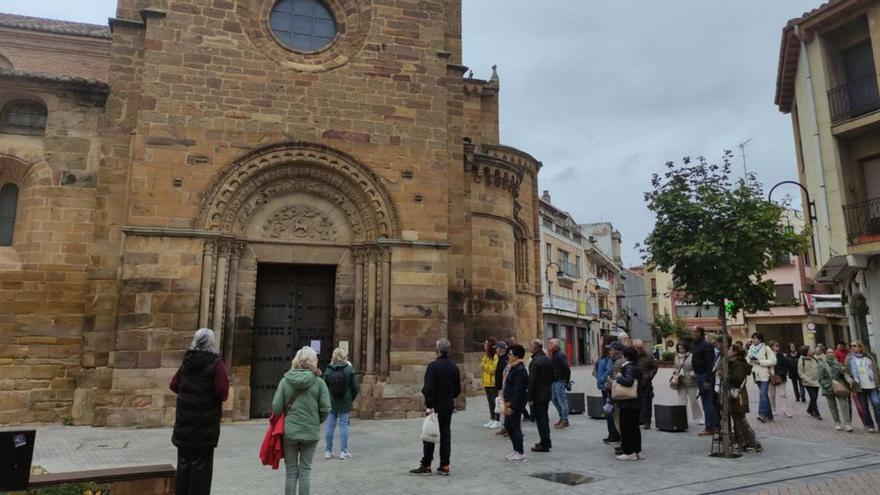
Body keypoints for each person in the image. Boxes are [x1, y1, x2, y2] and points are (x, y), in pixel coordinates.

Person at [170, 328, 229, 495]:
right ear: (211, 343)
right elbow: (222, 391)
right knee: (201, 471)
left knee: (184, 467)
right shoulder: (216, 364)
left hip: (184, 426)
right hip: (204, 428)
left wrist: (188, 395)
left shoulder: (187, 362)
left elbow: (173, 385)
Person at [272, 346, 331, 495]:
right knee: (305, 471)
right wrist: (316, 421)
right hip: (310, 433)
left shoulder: (285, 381)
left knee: (291, 472)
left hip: (290, 433)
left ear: (297, 361)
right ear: (313, 361)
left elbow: (276, 407)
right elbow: (325, 409)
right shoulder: (319, 383)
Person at [410, 339, 461, 476]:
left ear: (437, 350)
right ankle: (445, 465)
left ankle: (426, 464)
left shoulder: (433, 366)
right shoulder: (453, 366)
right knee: (445, 434)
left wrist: (429, 406)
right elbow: (457, 389)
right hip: (447, 403)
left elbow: (428, 388)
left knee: (429, 433)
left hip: (436, 404)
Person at [323, 347, 359, 460]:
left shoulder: (329, 370)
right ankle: (344, 451)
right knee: (343, 426)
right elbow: (355, 387)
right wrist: (350, 398)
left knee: (330, 426)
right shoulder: (349, 369)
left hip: (332, 401)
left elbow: (324, 385)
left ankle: (328, 451)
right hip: (345, 402)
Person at [727, 343, 762, 453]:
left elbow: (737, 379)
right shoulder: (735, 363)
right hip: (738, 395)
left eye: (730, 349)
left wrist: (725, 376)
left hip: (739, 396)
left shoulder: (738, 364)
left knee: (740, 420)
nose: (728, 351)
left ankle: (752, 443)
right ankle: (746, 442)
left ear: (735, 352)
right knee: (739, 420)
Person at [614, 347, 643, 461]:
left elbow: (629, 381)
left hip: (628, 402)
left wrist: (619, 377)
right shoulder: (636, 367)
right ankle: (638, 451)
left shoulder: (627, 367)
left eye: (622, 356)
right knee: (635, 427)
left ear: (625, 356)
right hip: (636, 401)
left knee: (626, 427)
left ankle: (629, 452)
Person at [502, 344, 529, 462]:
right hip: (508, 401)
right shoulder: (512, 367)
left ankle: (520, 452)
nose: (508, 356)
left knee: (515, 426)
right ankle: (516, 449)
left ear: (517, 356)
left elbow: (519, 390)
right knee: (508, 425)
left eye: (510, 354)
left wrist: (513, 405)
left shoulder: (520, 370)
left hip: (515, 403)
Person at [846, 341, 880, 432]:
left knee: (877, 403)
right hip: (859, 387)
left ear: (860, 347)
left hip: (872, 385)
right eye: (851, 346)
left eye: (854, 346)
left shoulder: (869, 358)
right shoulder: (849, 359)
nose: (852, 347)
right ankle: (870, 425)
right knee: (864, 408)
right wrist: (849, 378)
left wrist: (878, 383)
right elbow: (846, 371)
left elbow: (876, 371)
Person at [818, 348, 853, 432]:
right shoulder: (822, 364)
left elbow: (844, 373)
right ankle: (837, 422)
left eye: (831, 352)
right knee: (833, 407)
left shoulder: (838, 363)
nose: (830, 354)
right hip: (828, 388)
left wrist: (848, 378)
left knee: (844, 405)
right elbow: (820, 378)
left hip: (839, 386)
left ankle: (847, 424)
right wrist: (827, 385)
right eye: (828, 352)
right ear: (825, 354)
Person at [528, 339, 553, 452]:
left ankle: (545, 444)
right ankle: (545, 441)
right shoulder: (547, 359)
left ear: (536, 348)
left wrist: (530, 397)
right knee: (544, 419)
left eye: (531, 346)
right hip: (546, 392)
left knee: (541, 420)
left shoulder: (535, 361)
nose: (529, 348)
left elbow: (532, 381)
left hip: (538, 394)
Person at [691, 326, 718, 435]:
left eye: (694, 332)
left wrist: (707, 380)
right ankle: (713, 425)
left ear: (699, 333)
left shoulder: (706, 345)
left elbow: (709, 364)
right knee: (706, 401)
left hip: (704, 376)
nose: (692, 334)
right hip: (698, 375)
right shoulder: (695, 344)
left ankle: (710, 427)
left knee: (707, 402)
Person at [748, 333, 776, 423]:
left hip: (765, 374)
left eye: (755, 338)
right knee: (764, 395)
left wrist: (760, 362)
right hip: (756, 374)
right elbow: (747, 359)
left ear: (760, 339)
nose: (753, 340)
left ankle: (762, 414)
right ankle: (769, 415)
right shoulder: (751, 348)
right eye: (752, 338)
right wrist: (751, 360)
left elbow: (773, 361)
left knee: (762, 394)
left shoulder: (766, 348)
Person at [597, 336, 621, 443]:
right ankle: (611, 434)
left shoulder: (609, 357)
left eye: (602, 339)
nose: (600, 341)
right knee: (608, 411)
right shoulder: (603, 356)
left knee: (610, 411)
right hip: (602, 385)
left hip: (606, 386)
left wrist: (601, 379)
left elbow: (609, 370)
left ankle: (614, 435)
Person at [673, 341, 703, 426]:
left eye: (682, 348)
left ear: (686, 348)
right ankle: (683, 418)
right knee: (681, 401)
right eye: (679, 348)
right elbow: (675, 366)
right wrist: (675, 372)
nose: (680, 350)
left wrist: (692, 373)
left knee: (693, 400)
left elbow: (697, 367)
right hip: (680, 381)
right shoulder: (676, 357)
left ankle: (699, 417)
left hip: (691, 381)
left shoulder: (692, 356)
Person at [633, 339, 658, 429]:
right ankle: (640, 420)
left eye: (641, 347)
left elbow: (654, 368)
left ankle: (647, 422)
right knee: (637, 403)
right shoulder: (632, 356)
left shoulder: (648, 356)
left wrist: (649, 376)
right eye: (638, 348)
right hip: (635, 384)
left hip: (646, 383)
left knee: (647, 403)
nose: (640, 349)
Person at [548, 338, 571, 429]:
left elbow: (566, 368)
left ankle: (565, 420)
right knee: (554, 399)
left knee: (562, 401)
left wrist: (567, 381)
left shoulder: (559, 355)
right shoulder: (553, 354)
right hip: (554, 380)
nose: (549, 344)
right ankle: (562, 417)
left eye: (551, 343)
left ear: (557, 345)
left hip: (559, 380)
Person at [480, 337, 500, 429]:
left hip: (492, 382)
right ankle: (492, 419)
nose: (484, 345)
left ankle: (497, 420)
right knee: (490, 402)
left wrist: (485, 366)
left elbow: (493, 369)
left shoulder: (495, 356)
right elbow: (482, 365)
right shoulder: (485, 355)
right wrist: (485, 366)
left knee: (495, 402)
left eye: (486, 343)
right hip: (486, 381)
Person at [769, 341, 793, 419]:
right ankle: (773, 409)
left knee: (782, 394)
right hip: (771, 377)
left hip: (781, 377)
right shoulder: (768, 356)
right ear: (771, 347)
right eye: (776, 345)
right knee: (772, 395)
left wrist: (782, 373)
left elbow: (786, 365)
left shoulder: (781, 355)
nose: (778, 347)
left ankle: (785, 410)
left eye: (778, 345)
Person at [798, 345, 822, 420]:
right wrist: (806, 379)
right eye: (810, 350)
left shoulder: (814, 358)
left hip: (816, 381)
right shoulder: (802, 360)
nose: (812, 351)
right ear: (806, 352)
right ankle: (816, 412)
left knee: (814, 398)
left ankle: (809, 409)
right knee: (813, 397)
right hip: (808, 382)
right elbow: (800, 372)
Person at [493, 340, 509, 436]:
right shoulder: (500, 358)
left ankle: (507, 428)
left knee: (505, 408)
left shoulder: (505, 360)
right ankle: (503, 427)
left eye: (497, 349)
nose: (496, 350)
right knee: (501, 408)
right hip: (500, 387)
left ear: (500, 349)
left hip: (504, 387)